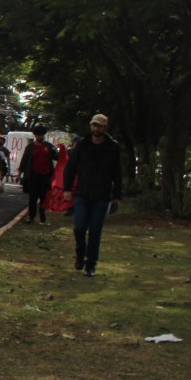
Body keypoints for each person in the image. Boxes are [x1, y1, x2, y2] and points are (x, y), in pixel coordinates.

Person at [63, 114, 122, 277]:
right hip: (82, 193)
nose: (96, 128)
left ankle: (91, 264)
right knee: (79, 228)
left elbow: (117, 173)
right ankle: (80, 254)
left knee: (95, 231)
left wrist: (117, 196)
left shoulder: (113, 147)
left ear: (105, 128)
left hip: (102, 196)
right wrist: (67, 189)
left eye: (100, 126)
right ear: (90, 126)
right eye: (94, 125)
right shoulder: (82, 145)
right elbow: (71, 167)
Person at [18, 125, 58, 224]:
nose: (40, 137)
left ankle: (42, 213)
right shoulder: (30, 147)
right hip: (33, 175)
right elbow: (24, 160)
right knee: (32, 197)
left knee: (44, 197)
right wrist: (20, 173)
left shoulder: (49, 146)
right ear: (35, 136)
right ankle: (31, 216)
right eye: (38, 135)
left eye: (42, 135)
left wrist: (62, 152)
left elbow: (57, 157)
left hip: (46, 176)